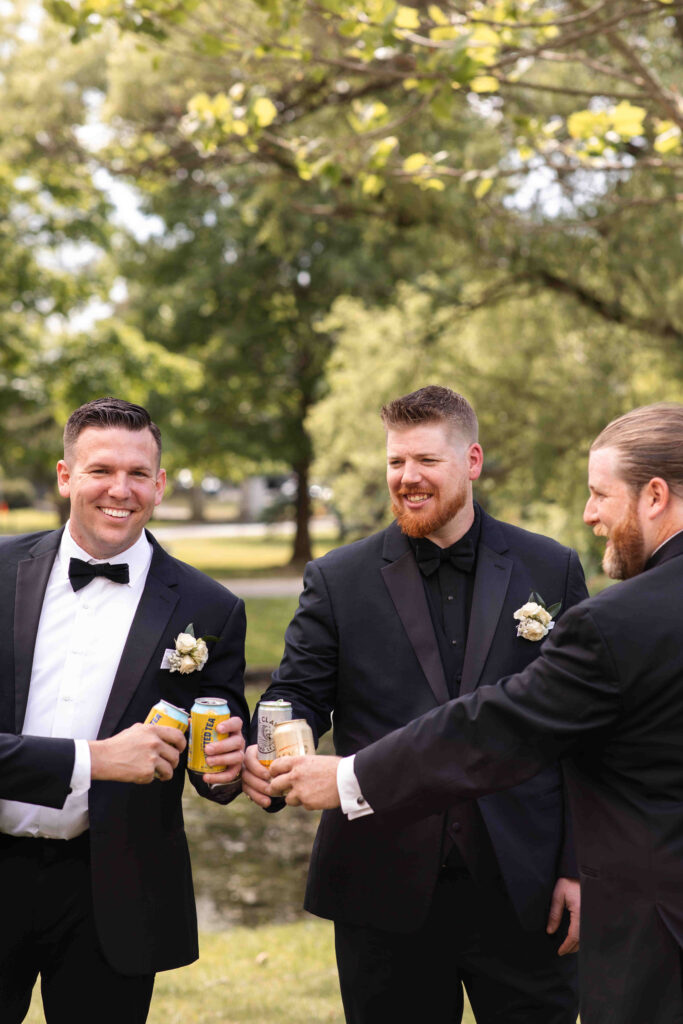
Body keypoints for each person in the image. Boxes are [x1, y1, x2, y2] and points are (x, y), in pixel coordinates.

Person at [270, 401, 683, 1024]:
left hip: (527, 890)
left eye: (426, 459)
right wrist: (267, 745)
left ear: (472, 461)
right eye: (395, 460)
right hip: (385, 886)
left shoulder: (557, 571)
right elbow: (291, 695)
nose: (407, 475)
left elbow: (547, 729)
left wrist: (575, 869)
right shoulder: (337, 578)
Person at [0, 397, 249, 1024]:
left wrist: (224, 768)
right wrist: (96, 760)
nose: (121, 489)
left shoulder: (210, 607)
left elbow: (212, 767)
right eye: (100, 470)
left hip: (112, 890)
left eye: (139, 474)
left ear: (160, 485)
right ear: (65, 477)